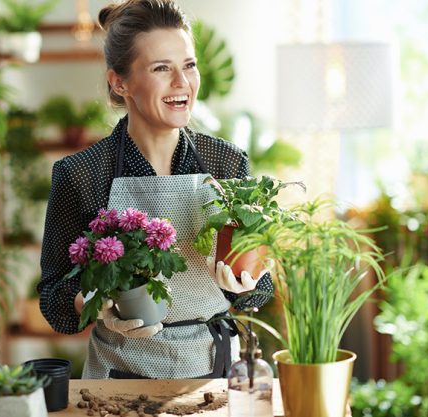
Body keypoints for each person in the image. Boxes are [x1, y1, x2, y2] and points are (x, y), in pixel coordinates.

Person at [39, 0, 273, 379]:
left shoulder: (227, 164)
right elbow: (53, 299)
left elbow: (262, 289)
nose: (182, 83)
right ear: (120, 82)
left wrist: (245, 286)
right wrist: (95, 303)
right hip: (119, 377)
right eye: (161, 68)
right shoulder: (81, 174)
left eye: (189, 65)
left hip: (213, 371)